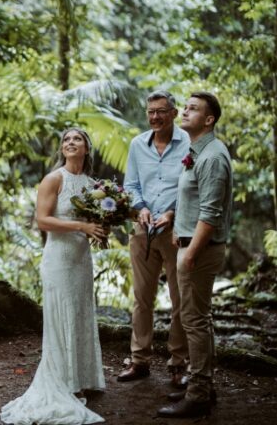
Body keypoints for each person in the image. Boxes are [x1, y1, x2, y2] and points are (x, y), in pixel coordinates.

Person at [0, 128, 107, 425]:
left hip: (81, 259)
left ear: (87, 147)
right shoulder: (54, 179)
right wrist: (81, 228)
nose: (70, 143)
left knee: (81, 313)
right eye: (66, 140)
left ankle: (81, 377)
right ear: (62, 149)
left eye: (77, 139)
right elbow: (43, 221)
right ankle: (62, 379)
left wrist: (100, 228)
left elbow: (96, 219)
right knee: (62, 315)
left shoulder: (93, 184)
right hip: (59, 258)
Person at [157, 92, 233, 419]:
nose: (185, 112)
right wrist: (178, 228)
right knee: (200, 319)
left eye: (192, 109)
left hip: (200, 250)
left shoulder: (213, 156)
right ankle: (205, 383)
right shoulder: (196, 150)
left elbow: (211, 212)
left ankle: (198, 393)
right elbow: (192, 199)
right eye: (185, 107)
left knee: (194, 321)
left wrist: (190, 255)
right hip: (189, 242)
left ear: (209, 119)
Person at [119, 90, 190, 387]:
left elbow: (192, 187)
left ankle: (178, 363)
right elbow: (131, 184)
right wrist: (141, 207)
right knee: (141, 299)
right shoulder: (138, 144)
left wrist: (173, 212)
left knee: (179, 299)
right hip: (143, 231)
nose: (155, 117)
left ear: (173, 113)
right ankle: (139, 360)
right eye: (151, 112)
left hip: (176, 232)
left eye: (161, 111)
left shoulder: (188, 142)